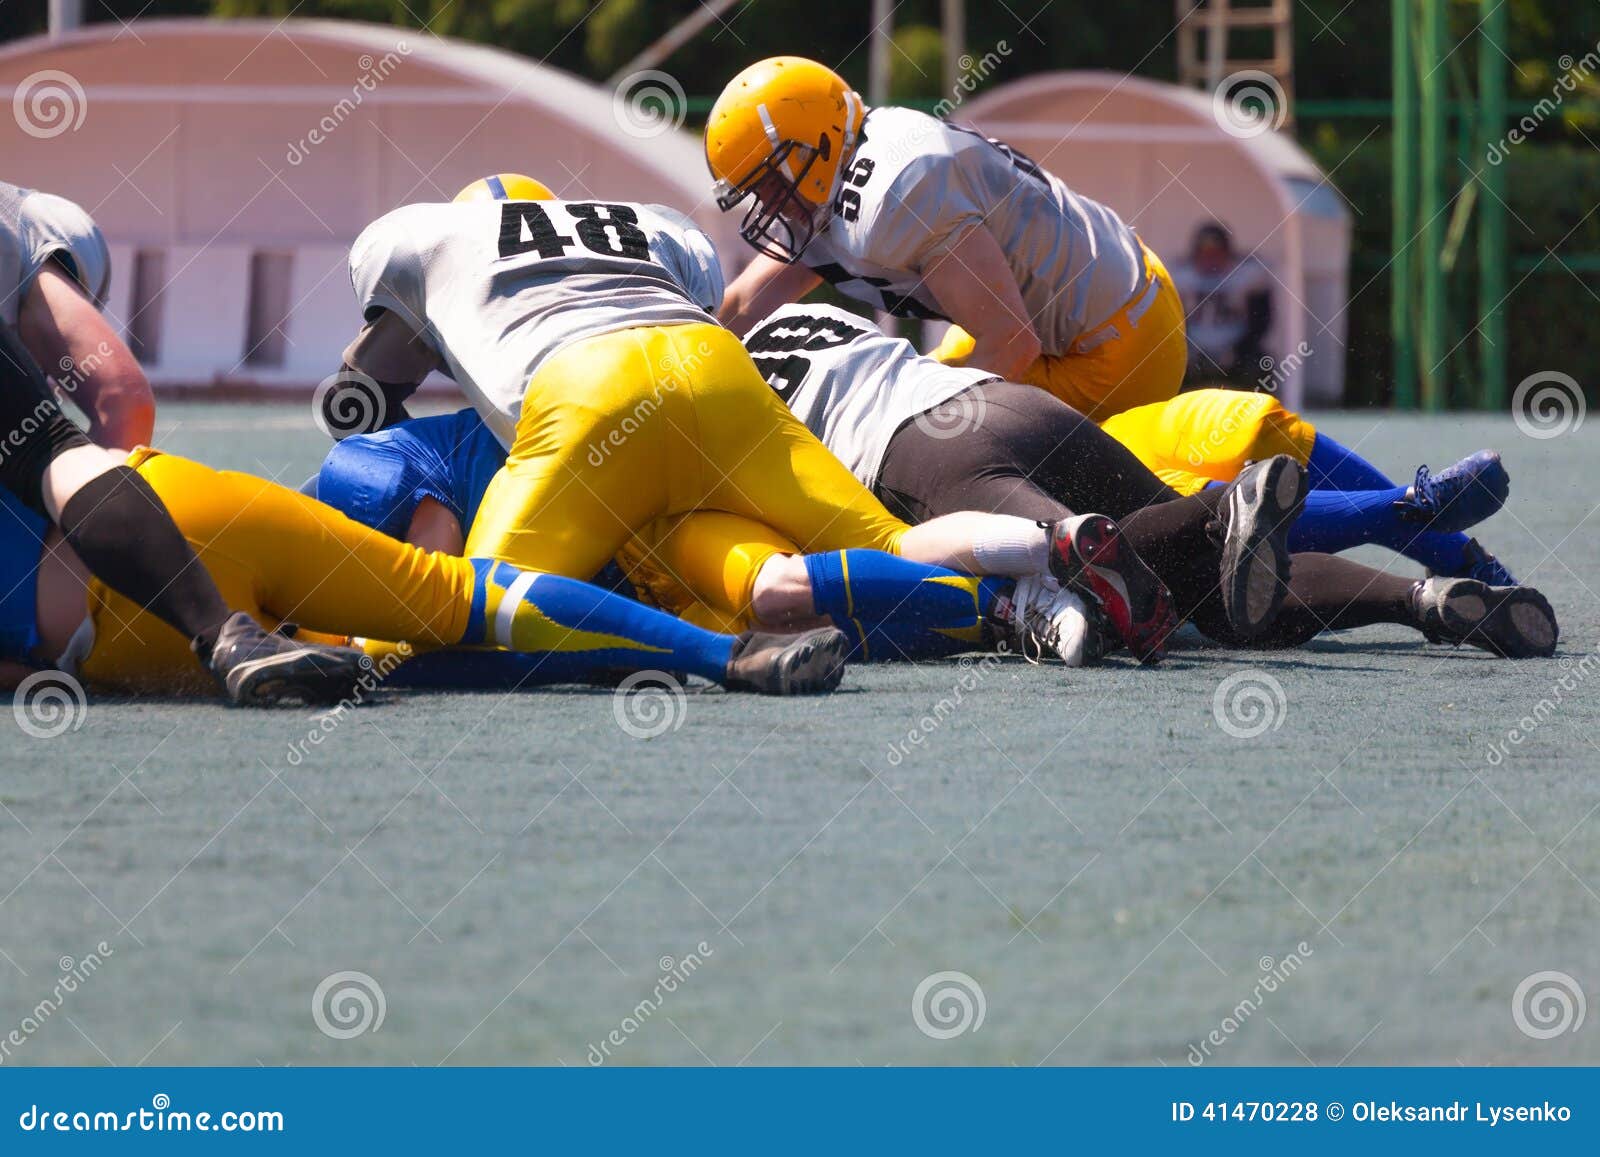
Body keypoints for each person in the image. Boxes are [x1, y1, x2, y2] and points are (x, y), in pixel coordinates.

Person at [318, 174, 1186, 663]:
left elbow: (363, 391)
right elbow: (699, 303)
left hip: (586, 405)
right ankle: (1046, 554)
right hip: (718, 377)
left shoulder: (427, 237)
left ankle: (361, 656)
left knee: (472, 614)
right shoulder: (645, 225)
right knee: (879, 541)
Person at [735, 303, 1556, 658]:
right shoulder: (820, 319)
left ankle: (1229, 511)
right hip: (1005, 400)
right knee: (1222, 598)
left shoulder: (724, 381)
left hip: (926, 456)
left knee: (1097, 565)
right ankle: (1425, 600)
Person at [0, 445, 852, 700]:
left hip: (86, 630)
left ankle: (617, 655)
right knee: (463, 603)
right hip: (164, 500)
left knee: (386, 663)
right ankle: (723, 657)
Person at [1, 180, 366, 705]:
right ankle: (222, 636)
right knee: (50, 454)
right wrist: (91, 564)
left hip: (71, 625)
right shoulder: (33, 243)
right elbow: (122, 398)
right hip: (146, 584)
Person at [704, 56, 1186, 420]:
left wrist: (888, 416)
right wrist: (678, 365)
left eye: (769, 183)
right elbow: (744, 305)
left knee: (931, 456)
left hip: (1114, 345)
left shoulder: (898, 191)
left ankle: (1214, 493)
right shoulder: (830, 181)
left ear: (820, 143)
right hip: (1062, 319)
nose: (766, 203)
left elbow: (1011, 345)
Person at [1169, 221, 1274, 381]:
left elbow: (1262, 320)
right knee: (1170, 365)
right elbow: (1172, 322)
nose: (1210, 261)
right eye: (1205, 254)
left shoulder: (1247, 275)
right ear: (1195, 255)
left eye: (1216, 254)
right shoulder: (1181, 277)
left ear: (1228, 254)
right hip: (1194, 350)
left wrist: (1240, 349)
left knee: (1260, 365)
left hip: (1237, 350)